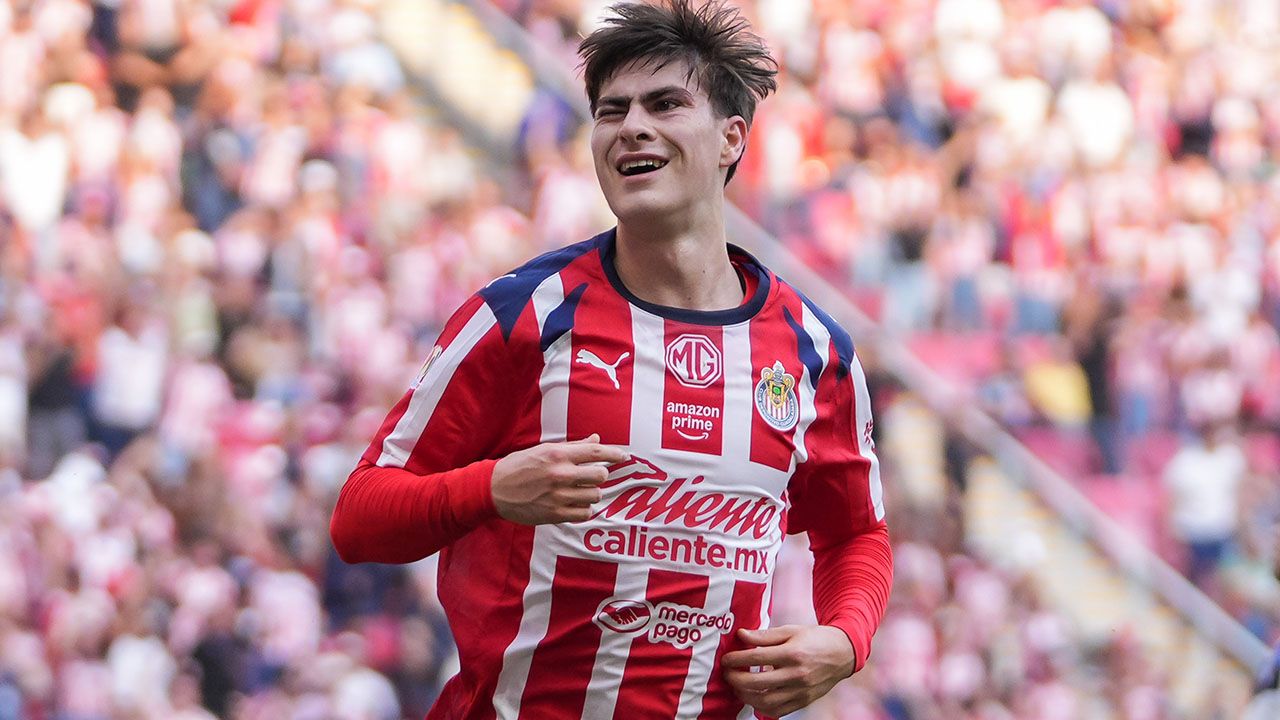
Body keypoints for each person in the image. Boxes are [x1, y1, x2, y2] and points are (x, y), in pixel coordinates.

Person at [329, 2, 893, 718]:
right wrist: (491, 489)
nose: (632, 126)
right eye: (611, 110)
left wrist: (845, 640)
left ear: (731, 138)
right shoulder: (524, 316)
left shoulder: (814, 353)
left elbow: (856, 532)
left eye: (664, 104)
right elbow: (359, 517)